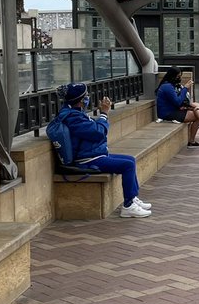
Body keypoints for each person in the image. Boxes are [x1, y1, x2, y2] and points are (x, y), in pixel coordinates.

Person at [54, 82, 150, 218]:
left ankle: (132, 197)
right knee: (127, 165)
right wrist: (104, 114)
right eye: (86, 96)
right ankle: (128, 206)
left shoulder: (74, 113)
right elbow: (98, 132)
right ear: (80, 101)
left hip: (94, 154)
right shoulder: (72, 118)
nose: (88, 98)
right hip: (86, 160)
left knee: (130, 159)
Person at [156, 67, 199, 147]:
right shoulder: (167, 87)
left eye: (180, 76)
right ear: (173, 76)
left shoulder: (172, 85)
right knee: (197, 116)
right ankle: (193, 139)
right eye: (178, 76)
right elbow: (177, 102)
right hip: (168, 113)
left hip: (174, 109)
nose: (180, 78)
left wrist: (187, 103)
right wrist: (186, 88)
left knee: (196, 105)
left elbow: (178, 100)